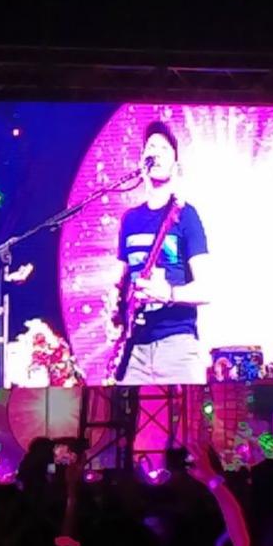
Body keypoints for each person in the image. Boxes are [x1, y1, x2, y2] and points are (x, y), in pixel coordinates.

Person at [108, 120, 211, 384]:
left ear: (176, 166)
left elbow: (208, 289)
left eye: (165, 149)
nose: (156, 152)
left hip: (177, 344)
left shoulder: (185, 215)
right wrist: (114, 310)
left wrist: (169, 293)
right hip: (134, 349)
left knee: (185, 411)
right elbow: (121, 281)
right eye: (151, 147)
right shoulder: (129, 219)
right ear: (142, 161)